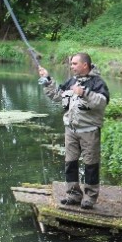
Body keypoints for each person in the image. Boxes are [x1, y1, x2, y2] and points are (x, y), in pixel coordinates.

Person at [38, 53, 110, 209]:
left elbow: (102, 102)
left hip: (89, 131)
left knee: (91, 165)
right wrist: (48, 79)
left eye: (74, 64)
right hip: (70, 130)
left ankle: (90, 198)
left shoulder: (98, 83)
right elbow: (57, 95)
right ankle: (73, 195)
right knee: (70, 163)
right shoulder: (72, 81)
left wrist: (84, 93)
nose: (71, 66)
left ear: (85, 65)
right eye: (71, 64)